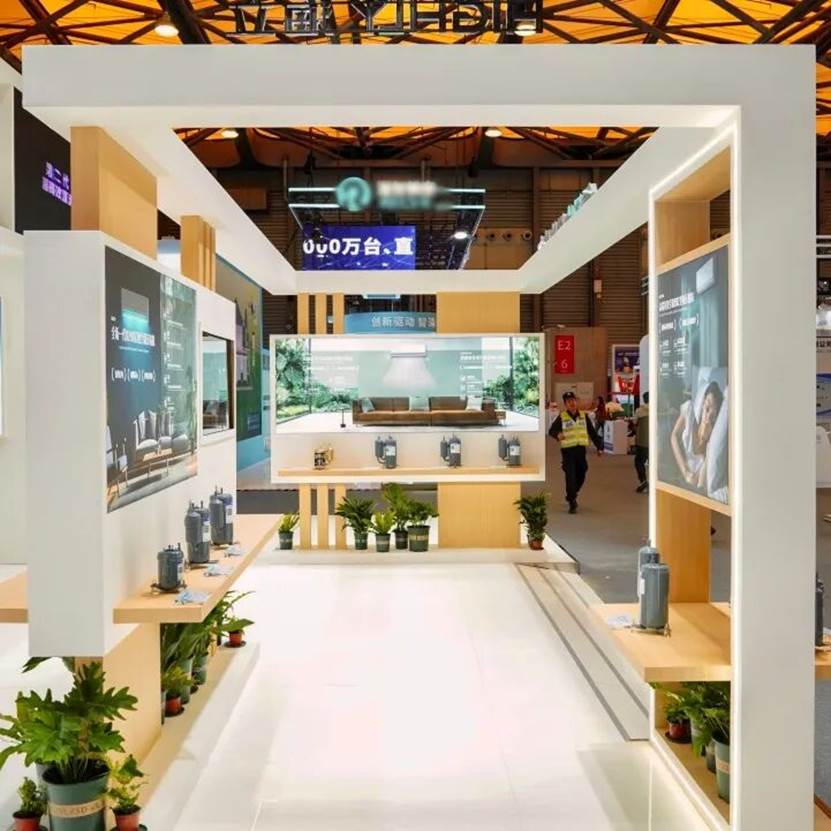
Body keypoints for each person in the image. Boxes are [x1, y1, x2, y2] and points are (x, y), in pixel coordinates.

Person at [549, 391, 603, 514]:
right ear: (565, 404)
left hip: (580, 451)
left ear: (576, 402)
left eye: (573, 400)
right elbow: (551, 430)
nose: (572, 403)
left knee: (582, 473)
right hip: (568, 452)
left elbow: (592, 432)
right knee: (570, 476)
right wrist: (558, 434)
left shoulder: (583, 416)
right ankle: (572, 501)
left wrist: (599, 446)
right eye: (569, 402)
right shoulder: (562, 417)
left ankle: (572, 493)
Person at [670, 381, 724, 491]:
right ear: (702, 403)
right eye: (707, 408)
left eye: (713, 414)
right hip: (677, 473)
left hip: (692, 486)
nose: (708, 417)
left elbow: (699, 482)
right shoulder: (689, 411)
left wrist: (705, 439)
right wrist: (685, 471)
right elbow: (674, 436)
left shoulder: (714, 440)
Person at [633, 391, 649, 493]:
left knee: (639, 461)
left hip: (642, 440)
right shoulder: (657, 409)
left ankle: (643, 480)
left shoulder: (639, 411)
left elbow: (634, 422)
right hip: (654, 441)